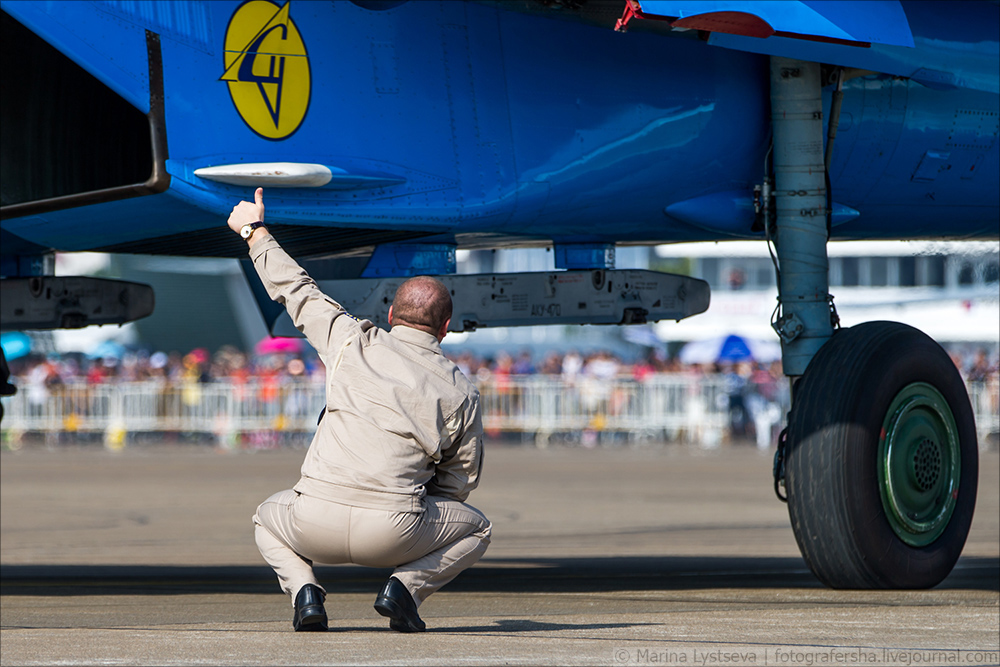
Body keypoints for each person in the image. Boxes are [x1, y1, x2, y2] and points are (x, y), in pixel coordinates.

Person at [227, 188, 490, 633]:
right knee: (477, 529)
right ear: (446, 328)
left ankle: (305, 593)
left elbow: (297, 290)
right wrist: (417, 505)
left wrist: (253, 231)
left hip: (313, 522)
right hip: (393, 532)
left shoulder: (351, 342)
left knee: (264, 519)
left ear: (390, 314)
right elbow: (460, 481)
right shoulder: (460, 390)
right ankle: (404, 589)